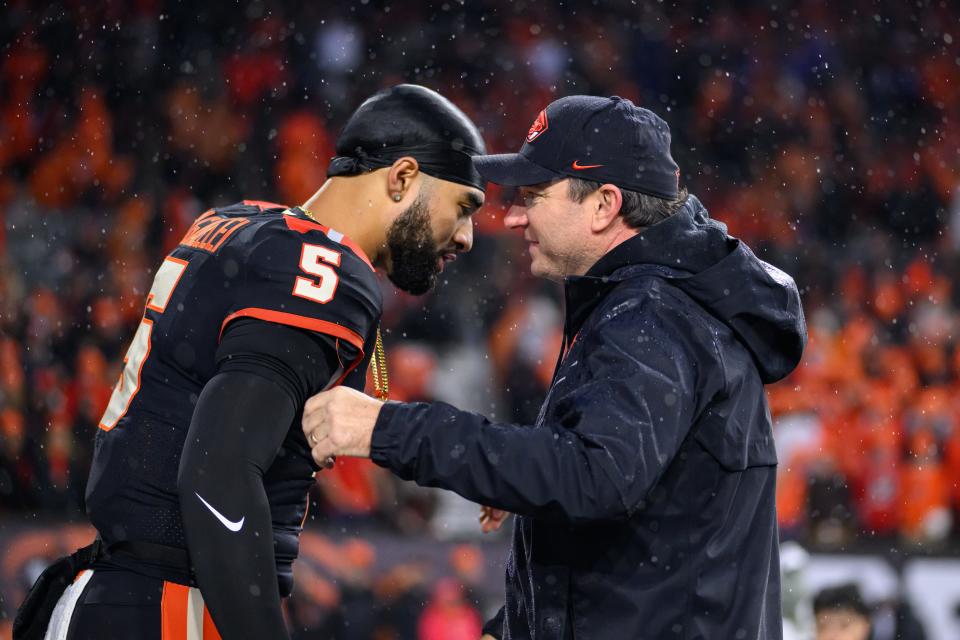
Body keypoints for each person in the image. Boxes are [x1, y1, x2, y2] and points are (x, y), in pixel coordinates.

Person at [302, 95, 807, 639]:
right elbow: (616, 526)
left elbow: (593, 479)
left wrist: (386, 428)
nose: (513, 216)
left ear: (603, 205)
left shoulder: (653, 315)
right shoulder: (639, 304)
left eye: (534, 196)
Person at [13, 84, 485, 640]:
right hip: (170, 606)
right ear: (402, 178)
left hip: (119, 588)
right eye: (462, 207)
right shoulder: (322, 272)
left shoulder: (241, 224)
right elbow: (219, 472)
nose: (468, 236)